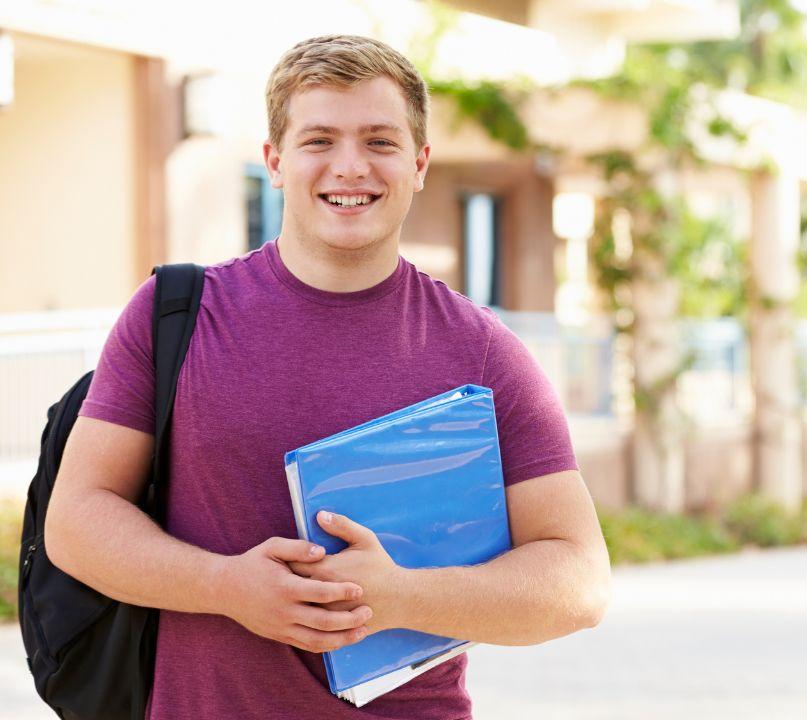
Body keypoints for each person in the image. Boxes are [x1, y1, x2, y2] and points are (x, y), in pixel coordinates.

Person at [44, 34, 611, 719]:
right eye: (319, 141)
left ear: (420, 163)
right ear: (275, 162)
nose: (350, 167)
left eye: (379, 141)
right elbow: (76, 522)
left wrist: (399, 595)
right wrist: (226, 586)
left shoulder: (484, 351)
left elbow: (578, 581)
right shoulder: (176, 316)